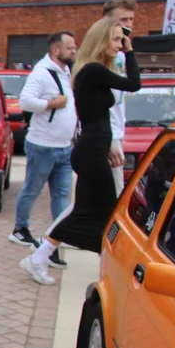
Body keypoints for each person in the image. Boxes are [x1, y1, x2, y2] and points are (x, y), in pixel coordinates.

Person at [19, 17, 140, 285]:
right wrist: (130, 51)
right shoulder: (92, 70)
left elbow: (99, 116)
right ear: (103, 39)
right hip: (90, 150)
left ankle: (40, 256)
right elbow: (134, 84)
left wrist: (107, 145)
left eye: (123, 40)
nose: (121, 45)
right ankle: (106, 268)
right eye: (118, 39)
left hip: (93, 149)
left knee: (86, 209)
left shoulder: (91, 70)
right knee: (104, 211)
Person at [8, 31, 78, 262]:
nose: (74, 50)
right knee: (32, 189)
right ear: (56, 50)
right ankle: (20, 229)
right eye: (70, 47)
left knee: (61, 195)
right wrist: (51, 103)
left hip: (64, 146)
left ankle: (58, 236)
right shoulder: (41, 73)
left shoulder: (66, 71)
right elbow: (25, 101)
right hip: (43, 146)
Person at [103, 0, 138, 194]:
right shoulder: (99, 55)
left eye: (131, 19)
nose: (128, 25)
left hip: (117, 131)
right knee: (113, 196)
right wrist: (110, 140)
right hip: (107, 135)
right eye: (123, 19)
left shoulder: (121, 55)